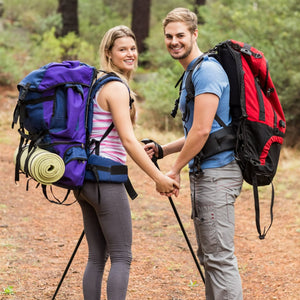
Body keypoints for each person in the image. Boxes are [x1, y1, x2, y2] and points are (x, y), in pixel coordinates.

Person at [144, 8, 243, 300]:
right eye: (169, 36)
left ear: (194, 34)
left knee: (220, 259)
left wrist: (173, 169)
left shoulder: (208, 72)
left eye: (180, 35)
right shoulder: (194, 71)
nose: (174, 41)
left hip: (218, 174)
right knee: (210, 258)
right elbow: (201, 132)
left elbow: (200, 132)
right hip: (206, 174)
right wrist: (163, 150)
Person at [74, 25, 179, 300]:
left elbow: (112, 135)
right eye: (122, 49)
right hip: (107, 180)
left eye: (133, 48)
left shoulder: (97, 83)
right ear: (109, 53)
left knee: (96, 257)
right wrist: (159, 179)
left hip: (86, 179)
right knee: (121, 256)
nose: (130, 54)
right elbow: (128, 141)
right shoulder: (117, 88)